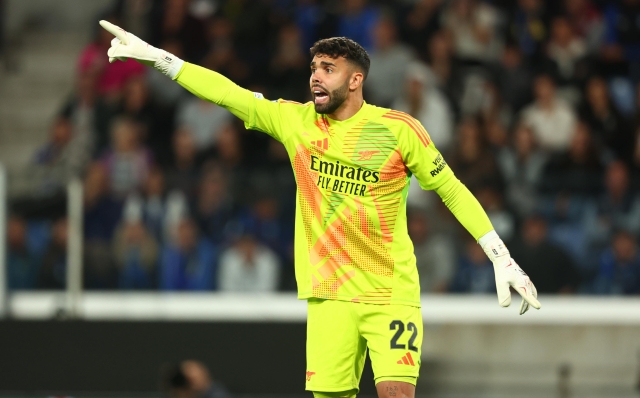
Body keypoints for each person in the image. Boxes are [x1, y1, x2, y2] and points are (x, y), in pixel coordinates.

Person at [99, 21, 541, 398]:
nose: (315, 77)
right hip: (328, 292)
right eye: (313, 68)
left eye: (328, 69)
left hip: (389, 290)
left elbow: (452, 189)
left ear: (355, 80)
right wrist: (160, 58)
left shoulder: (397, 130)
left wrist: (500, 256)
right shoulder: (297, 122)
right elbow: (228, 94)